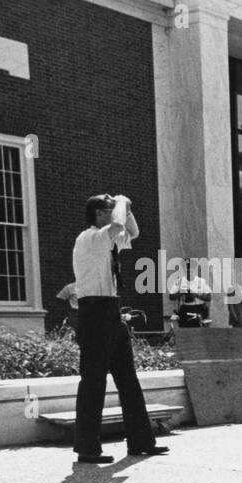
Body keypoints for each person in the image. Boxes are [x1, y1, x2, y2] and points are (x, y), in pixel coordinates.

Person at [70, 193, 168, 463]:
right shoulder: (90, 238)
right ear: (100, 214)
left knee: (128, 379)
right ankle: (87, 448)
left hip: (111, 311)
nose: (117, 214)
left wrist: (128, 205)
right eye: (110, 210)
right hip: (93, 312)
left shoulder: (108, 242)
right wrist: (123, 200)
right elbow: (117, 226)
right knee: (93, 382)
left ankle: (141, 442)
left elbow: (132, 231)